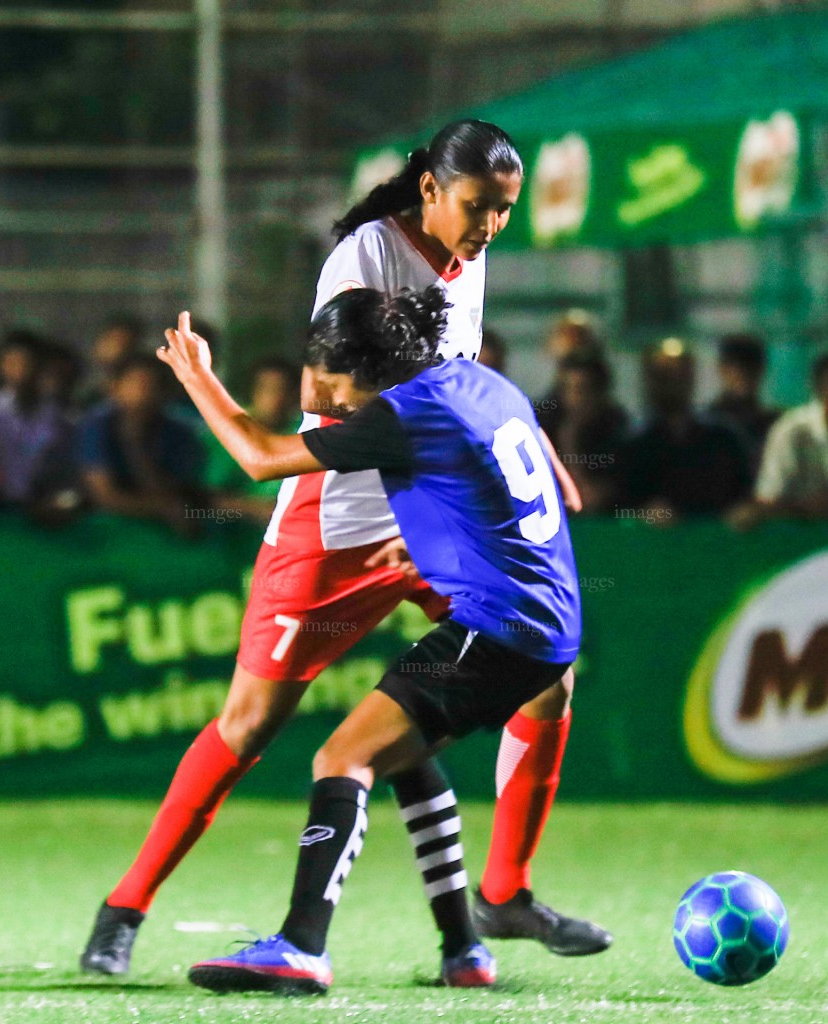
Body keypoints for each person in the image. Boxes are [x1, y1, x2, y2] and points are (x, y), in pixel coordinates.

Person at [79, 120, 605, 988]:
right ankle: (126, 906)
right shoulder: (366, 259)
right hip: (335, 518)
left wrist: (529, 436)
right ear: (431, 190)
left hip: (425, 519)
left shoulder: (464, 251)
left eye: (505, 212)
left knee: (542, 682)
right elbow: (324, 388)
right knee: (250, 725)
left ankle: (501, 895)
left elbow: (459, 374)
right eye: (479, 207)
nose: (491, 227)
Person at [165, 287, 581, 995]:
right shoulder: (478, 380)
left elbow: (261, 458)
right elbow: (552, 492)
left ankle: (300, 947)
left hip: (495, 631)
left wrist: (198, 377)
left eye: (332, 375)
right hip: (547, 628)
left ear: (365, 368)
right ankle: (465, 951)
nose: (327, 392)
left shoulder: (399, 414)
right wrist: (431, 547)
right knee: (399, 753)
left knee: (342, 758)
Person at [729, 352, 828, 533]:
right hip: (794, 539)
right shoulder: (791, 431)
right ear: (818, 388)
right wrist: (810, 507)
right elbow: (768, 497)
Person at [619, 340, 751, 523]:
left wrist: (743, 511)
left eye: (680, 374)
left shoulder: (723, 438)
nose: (673, 382)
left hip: (716, 546)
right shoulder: (632, 443)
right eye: (664, 375)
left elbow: (744, 494)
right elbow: (614, 507)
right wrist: (645, 513)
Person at [76, 355, 206, 537]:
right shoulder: (96, 426)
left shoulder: (179, 433)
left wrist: (136, 446)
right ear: (115, 388)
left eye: (152, 386)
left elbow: (170, 491)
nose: (143, 392)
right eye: (135, 383)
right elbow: (103, 494)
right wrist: (163, 508)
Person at [0, 330, 75, 510]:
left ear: (40, 367)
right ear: (0, 366)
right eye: (13, 363)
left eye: (27, 363)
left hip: (44, 514)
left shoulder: (61, 420)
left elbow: (70, 475)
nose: (21, 369)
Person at [202, 355, 302, 519]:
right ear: (252, 393)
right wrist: (258, 510)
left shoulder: (305, 434)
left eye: (284, 390)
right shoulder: (227, 432)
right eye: (267, 389)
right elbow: (205, 498)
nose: (276, 399)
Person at [536, 352, 629, 514]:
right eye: (567, 389)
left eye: (582, 390)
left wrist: (570, 439)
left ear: (600, 394)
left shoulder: (618, 436)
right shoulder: (546, 430)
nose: (574, 399)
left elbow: (587, 502)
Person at [706, 333, 781, 470]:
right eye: (736, 367)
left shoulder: (774, 424)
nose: (742, 374)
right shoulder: (707, 425)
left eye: (750, 368)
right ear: (722, 370)